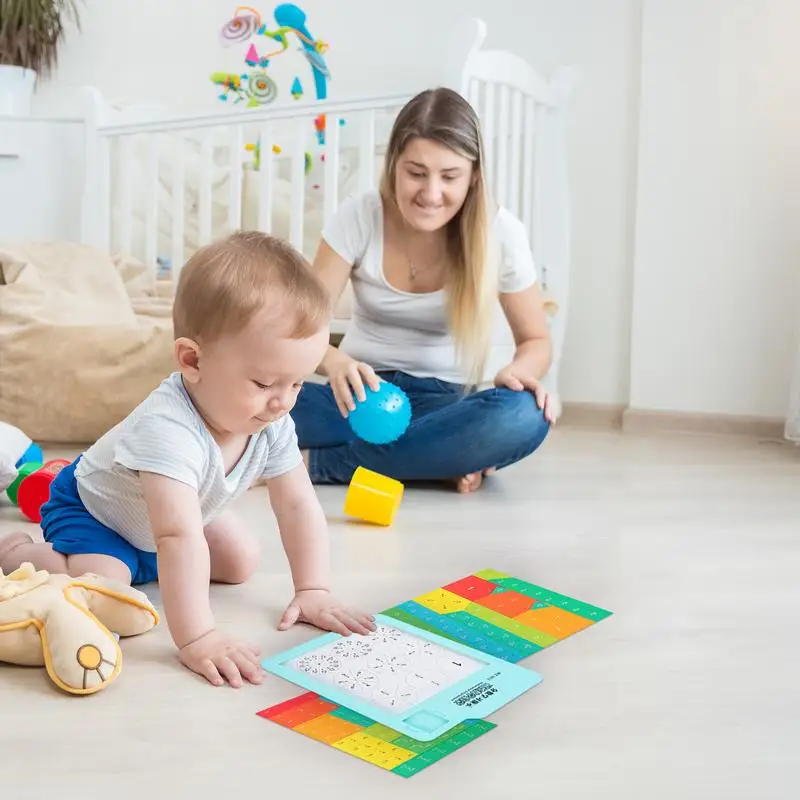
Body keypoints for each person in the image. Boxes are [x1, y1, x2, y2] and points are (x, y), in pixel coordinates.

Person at [0, 232, 375, 688]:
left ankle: (148, 564)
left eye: (296, 384)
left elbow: (297, 504)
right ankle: (21, 551)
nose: (282, 402)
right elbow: (177, 536)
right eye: (264, 383)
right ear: (192, 360)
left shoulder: (270, 419)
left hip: (175, 515)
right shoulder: (167, 429)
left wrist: (312, 589)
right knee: (106, 587)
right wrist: (198, 636)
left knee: (240, 561)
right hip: (97, 514)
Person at [292, 87, 556, 494]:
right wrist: (334, 361)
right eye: (416, 173)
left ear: (473, 177)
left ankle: (318, 464)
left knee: (524, 416)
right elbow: (300, 328)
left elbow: (536, 340)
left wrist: (520, 372)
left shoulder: (501, 232)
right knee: (254, 402)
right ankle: (430, 462)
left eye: (449, 177)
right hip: (359, 397)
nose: (431, 194)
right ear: (394, 164)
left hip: (445, 406)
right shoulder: (360, 216)